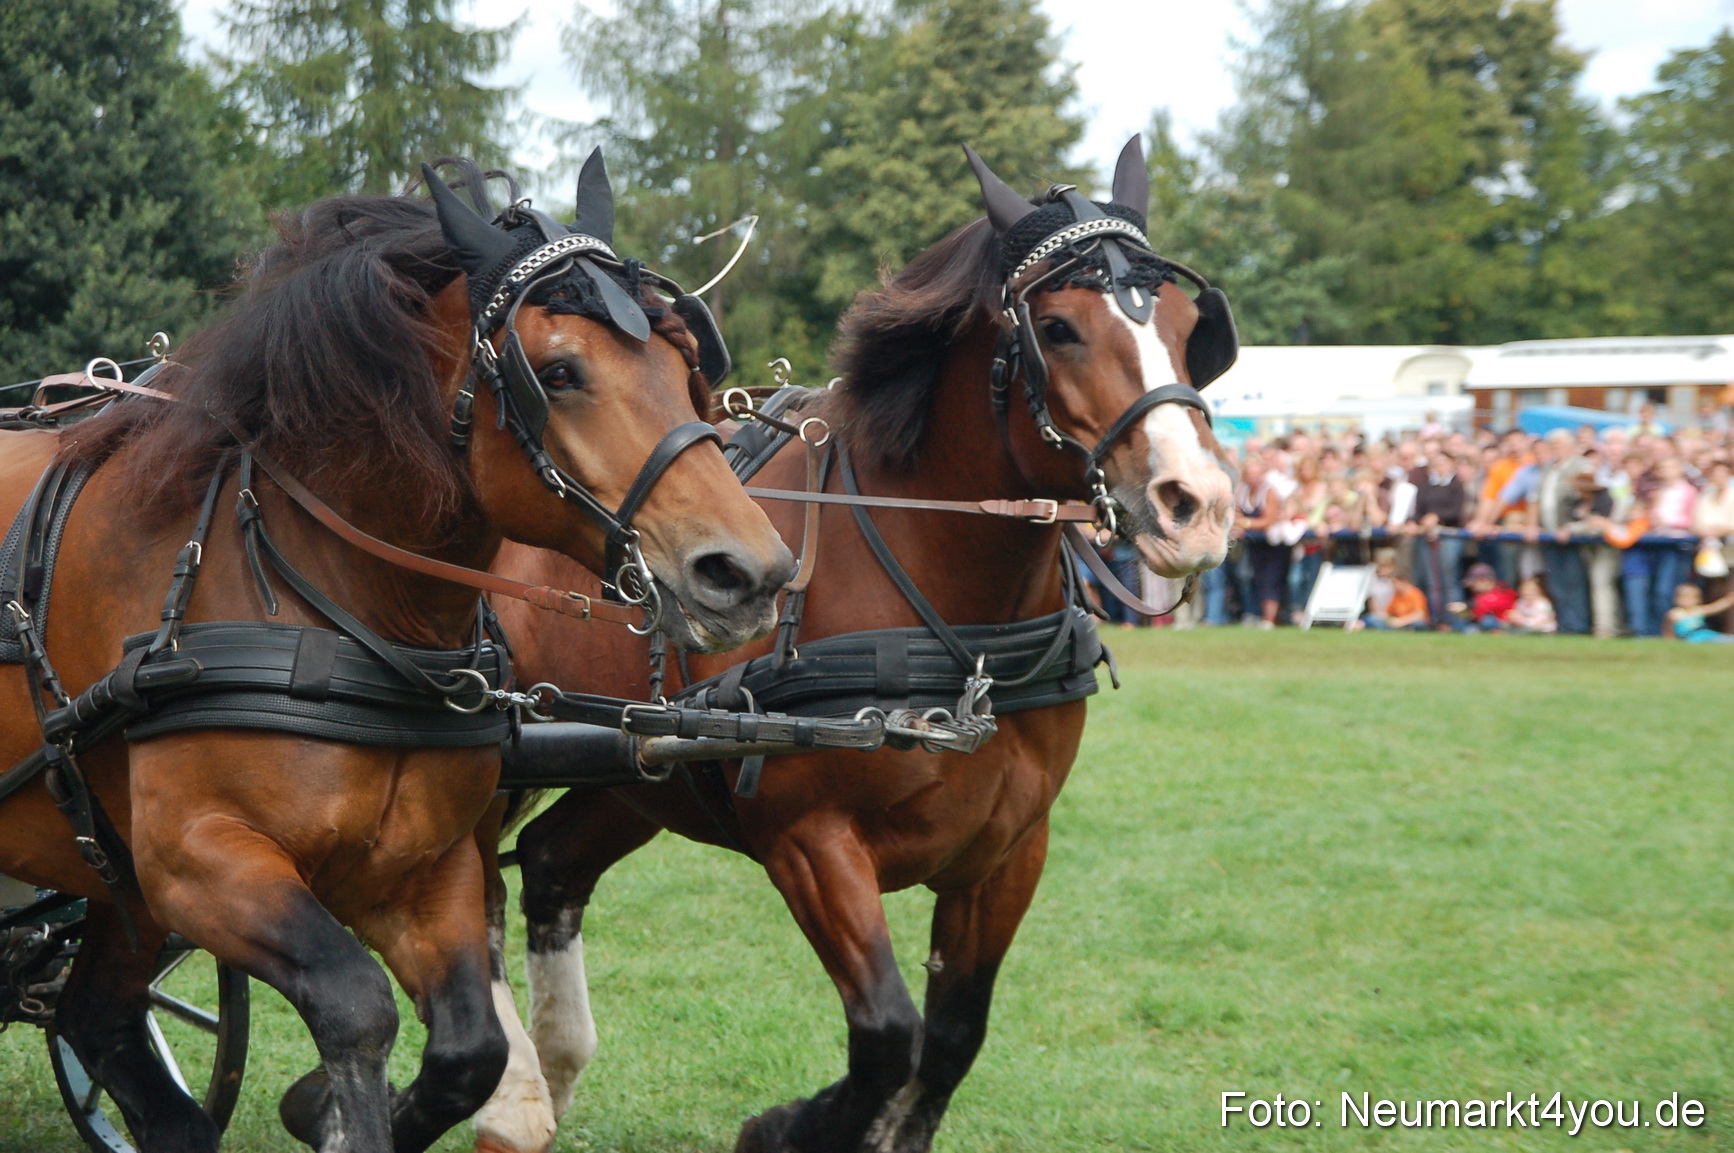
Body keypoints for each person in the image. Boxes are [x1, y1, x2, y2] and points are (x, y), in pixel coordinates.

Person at [1236, 457, 1288, 628]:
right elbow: (1234, 514)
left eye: (1256, 474)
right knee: (1248, 577)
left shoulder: (1269, 492)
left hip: (1273, 545)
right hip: (1253, 544)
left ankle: (1269, 619)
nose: (1253, 477)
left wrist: (1246, 523)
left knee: (1270, 580)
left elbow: (1268, 520)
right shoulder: (1241, 491)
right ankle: (1252, 614)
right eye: (1250, 474)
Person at [1354, 549, 1429, 631]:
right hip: (1396, 620)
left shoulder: (1414, 593)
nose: (1393, 586)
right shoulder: (1396, 596)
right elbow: (1387, 612)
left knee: (1418, 623)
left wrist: (1401, 621)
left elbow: (1419, 614)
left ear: (1403, 581)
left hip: (1408, 621)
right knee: (1374, 619)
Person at [1664, 584, 1734, 643]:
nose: (1686, 600)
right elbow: (1668, 630)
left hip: (1705, 635)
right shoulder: (1674, 614)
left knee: (1726, 639)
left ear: (1698, 599)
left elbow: (1716, 607)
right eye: (1683, 596)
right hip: (1690, 639)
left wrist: (1729, 599)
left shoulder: (1698, 610)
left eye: (1690, 597)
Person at [1460, 562, 1517, 631]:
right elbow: (1475, 615)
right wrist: (1463, 612)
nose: (1471, 587)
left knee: (1487, 621)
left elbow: (1488, 605)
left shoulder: (1502, 591)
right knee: (1462, 624)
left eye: (1474, 583)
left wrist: (1468, 605)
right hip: (1484, 624)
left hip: (1503, 624)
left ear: (1484, 580)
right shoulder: (1479, 595)